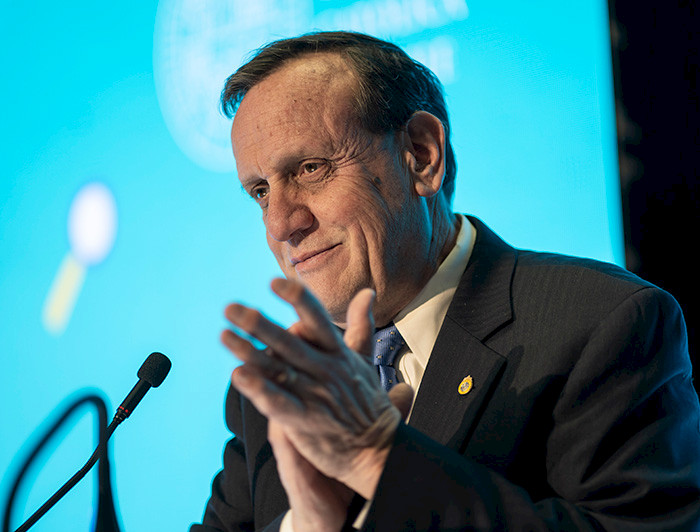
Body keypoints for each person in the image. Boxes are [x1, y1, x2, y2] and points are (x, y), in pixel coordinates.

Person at [191, 31, 700, 531]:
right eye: (260, 191)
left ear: (421, 154)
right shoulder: (276, 391)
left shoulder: (604, 324)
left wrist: (378, 463)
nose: (281, 224)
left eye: (310, 168)